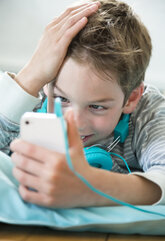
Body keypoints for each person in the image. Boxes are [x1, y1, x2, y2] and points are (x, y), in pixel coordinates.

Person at [0, 0, 165, 208]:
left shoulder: (147, 112)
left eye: (97, 106)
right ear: (45, 84)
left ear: (131, 99)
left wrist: (91, 188)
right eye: (61, 99)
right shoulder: (30, 93)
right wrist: (32, 74)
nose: (75, 123)